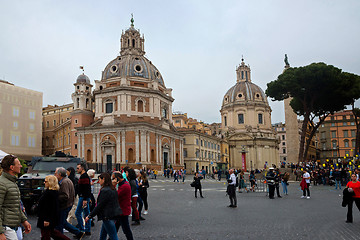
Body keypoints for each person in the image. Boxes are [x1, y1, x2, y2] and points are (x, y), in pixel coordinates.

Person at [0, 155, 31, 239]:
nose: (21, 166)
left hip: (11, 226)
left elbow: (15, 205)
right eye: (19, 164)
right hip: (6, 227)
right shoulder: (2, 183)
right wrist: (0, 232)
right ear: (12, 167)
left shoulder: (11, 182)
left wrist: (24, 220)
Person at [85, 173, 121, 240]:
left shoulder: (104, 190)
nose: (99, 182)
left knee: (113, 237)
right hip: (113, 214)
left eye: (99, 180)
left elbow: (99, 205)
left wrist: (90, 216)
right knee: (103, 235)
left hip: (107, 216)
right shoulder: (113, 189)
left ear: (103, 179)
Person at [54, 167, 84, 239]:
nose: (54, 175)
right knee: (63, 222)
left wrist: (55, 197)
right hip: (67, 205)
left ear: (59, 174)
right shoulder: (66, 180)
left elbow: (65, 196)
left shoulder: (64, 182)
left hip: (64, 206)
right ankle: (78, 232)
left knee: (60, 224)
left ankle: (60, 237)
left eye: (55, 173)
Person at [37, 175, 70, 240]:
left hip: (46, 218)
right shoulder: (51, 192)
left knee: (46, 235)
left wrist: (46, 219)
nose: (44, 183)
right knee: (52, 233)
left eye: (45, 181)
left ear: (50, 182)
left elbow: (49, 208)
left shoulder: (50, 194)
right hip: (47, 218)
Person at [112, 172, 134, 240]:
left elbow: (115, 195)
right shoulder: (124, 184)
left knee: (126, 229)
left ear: (117, 178)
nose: (112, 180)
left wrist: (114, 185)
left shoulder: (124, 186)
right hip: (121, 210)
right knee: (116, 227)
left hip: (123, 211)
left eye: (113, 178)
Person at [75, 163, 92, 235]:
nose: (77, 169)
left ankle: (82, 229)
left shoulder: (84, 176)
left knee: (78, 213)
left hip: (83, 198)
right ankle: (87, 230)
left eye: (78, 168)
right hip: (84, 197)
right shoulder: (84, 176)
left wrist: (85, 199)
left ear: (82, 168)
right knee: (87, 213)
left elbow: (86, 188)